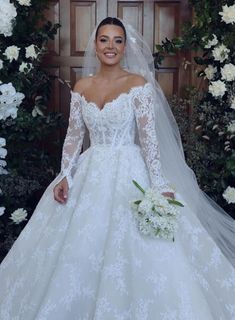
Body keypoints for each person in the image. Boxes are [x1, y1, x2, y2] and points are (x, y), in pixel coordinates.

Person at [0, 17, 235, 320]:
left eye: (117, 40)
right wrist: (65, 175)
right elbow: (74, 137)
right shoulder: (82, 87)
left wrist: (159, 184)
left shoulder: (138, 85)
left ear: (125, 47)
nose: (110, 46)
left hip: (129, 169)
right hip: (90, 170)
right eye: (104, 40)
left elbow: (149, 139)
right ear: (95, 46)